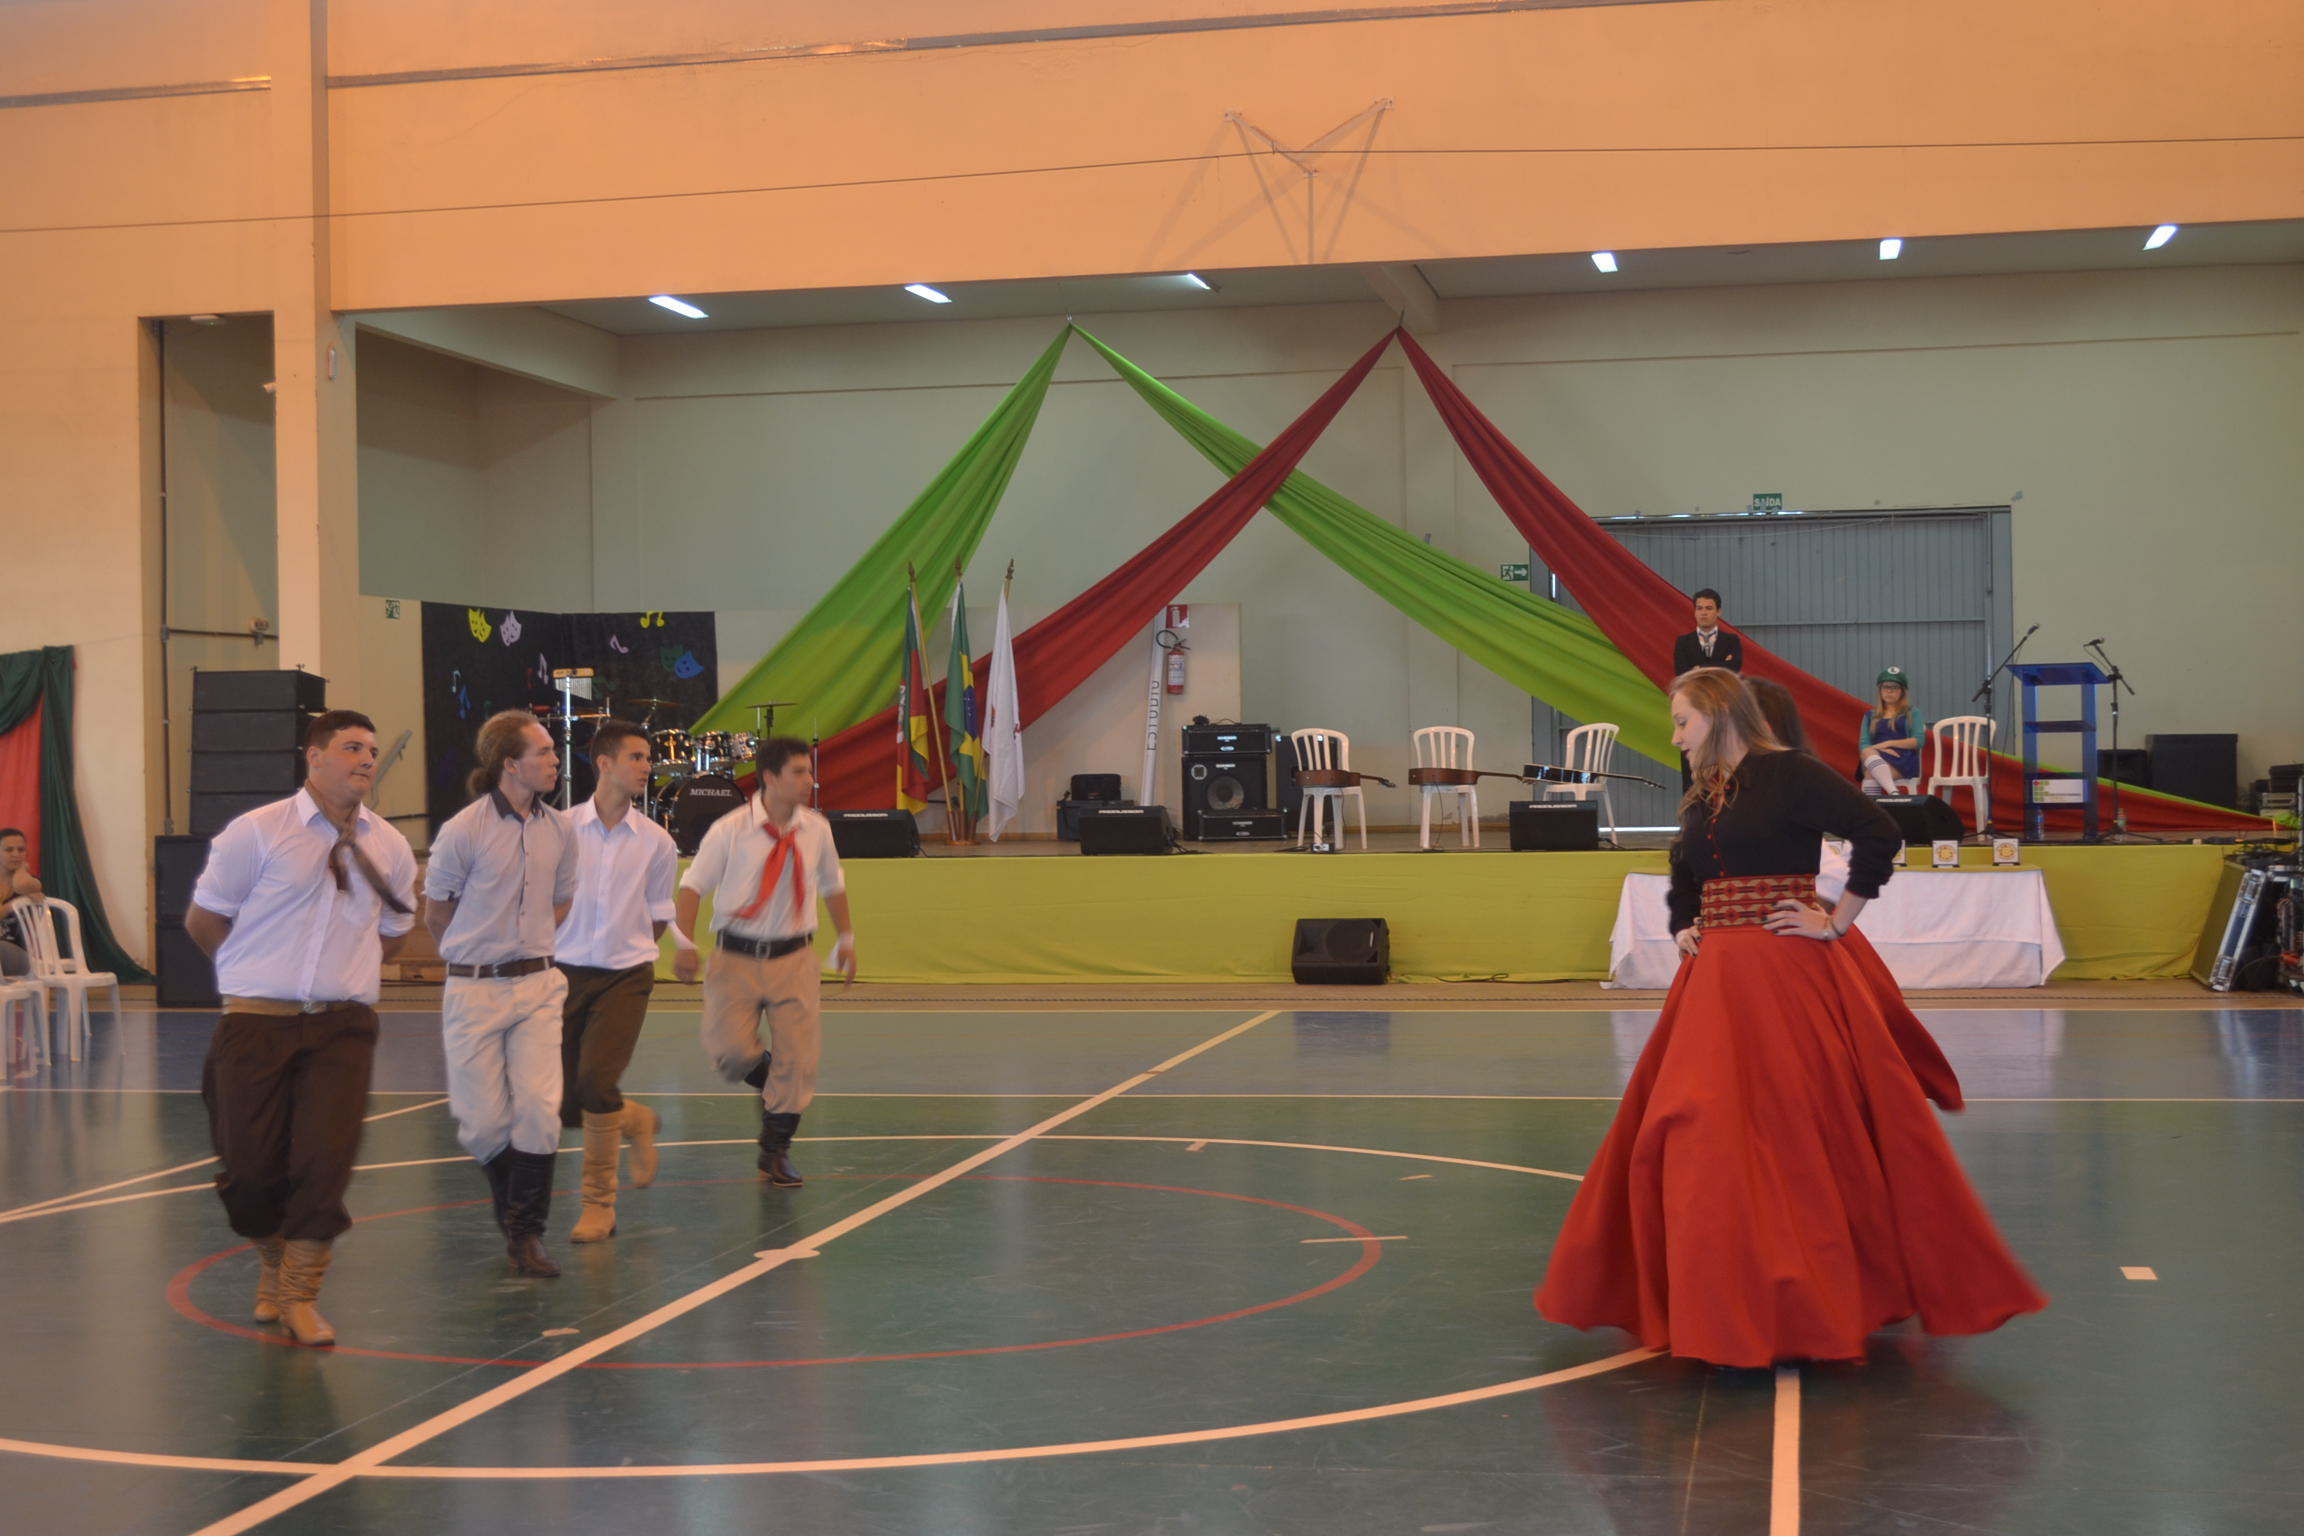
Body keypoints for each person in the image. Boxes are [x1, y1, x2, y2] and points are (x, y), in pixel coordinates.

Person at [1536, 667, 2044, 1366]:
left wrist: (1836, 921)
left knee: (1788, 1134)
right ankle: (1718, 1299)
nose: (1675, 737)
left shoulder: (1791, 773)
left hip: (1781, 975)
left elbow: (1878, 831)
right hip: (1714, 983)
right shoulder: (1709, 788)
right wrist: (1685, 922)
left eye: (1683, 722)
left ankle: (1800, 1299)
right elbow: (1686, 868)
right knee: (1688, 1130)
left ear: (1719, 714)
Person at [183, 711, 419, 1347]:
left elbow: (394, 936)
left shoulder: (390, 846)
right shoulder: (257, 832)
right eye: (351, 747)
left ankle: (299, 1294)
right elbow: (205, 921)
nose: (366, 759)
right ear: (313, 756)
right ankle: (272, 1257)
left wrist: (345, 972)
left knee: (324, 1163)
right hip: (255, 1025)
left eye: (372, 750)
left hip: (343, 1029)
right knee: (249, 1170)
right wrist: (255, 972)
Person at [425, 710, 579, 1277]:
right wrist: (479, 953)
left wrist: (528, 944)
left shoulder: (560, 829)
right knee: (483, 1125)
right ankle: (518, 1217)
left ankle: (526, 1233)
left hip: (539, 985)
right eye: (544, 752)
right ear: (510, 764)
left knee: (540, 1109)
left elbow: (562, 899)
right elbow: (436, 915)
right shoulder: (463, 831)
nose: (555, 760)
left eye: (554, 751)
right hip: (474, 990)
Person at [673, 736, 857, 1187]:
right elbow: (692, 886)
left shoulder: (817, 829)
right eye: (799, 772)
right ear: (770, 778)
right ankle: (773, 1077)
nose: (809, 781)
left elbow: (832, 884)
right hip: (735, 957)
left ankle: (775, 1150)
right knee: (731, 1055)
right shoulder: (730, 829)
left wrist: (846, 938)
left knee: (800, 1061)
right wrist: (683, 943)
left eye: (810, 771)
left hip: (795, 957)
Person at [554, 718, 677, 1242]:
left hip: (626, 977)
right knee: (563, 1103)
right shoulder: (558, 830)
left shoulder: (657, 842)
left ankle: (598, 1204)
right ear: (604, 763)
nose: (647, 767)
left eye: (649, 758)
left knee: (596, 1082)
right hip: (562, 974)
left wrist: (627, 948)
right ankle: (633, 1120)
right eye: (637, 757)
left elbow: (658, 915)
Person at [1672, 590, 1742, 790]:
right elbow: (1682, 674)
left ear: (1718, 611)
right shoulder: (1683, 642)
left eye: (1709, 608)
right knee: (1691, 765)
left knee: (1725, 763)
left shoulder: (1732, 641)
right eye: (1699, 608)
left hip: (1723, 711)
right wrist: (1720, 665)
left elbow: (1733, 669)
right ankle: (1692, 805)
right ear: (1694, 611)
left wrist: (1698, 669)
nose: (1703, 613)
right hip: (1693, 710)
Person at [1859, 666, 1926, 796]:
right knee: (1867, 752)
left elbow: (1918, 741)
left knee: (1870, 774)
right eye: (1885, 687)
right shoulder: (1870, 715)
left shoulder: (1912, 712)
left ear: (1902, 691)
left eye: (1895, 687)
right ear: (1880, 690)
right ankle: (1894, 793)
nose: (1889, 691)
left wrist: (1888, 743)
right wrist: (1880, 749)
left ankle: (1879, 804)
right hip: (1876, 756)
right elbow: (1864, 744)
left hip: (1902, 759)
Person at [0, 826, 42, 976]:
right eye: (9, 850)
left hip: (16, 954)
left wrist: (22, 868)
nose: (16, 854)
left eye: (21, 850)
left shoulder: (30, 883)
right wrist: (12, 905)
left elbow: (21, 885)